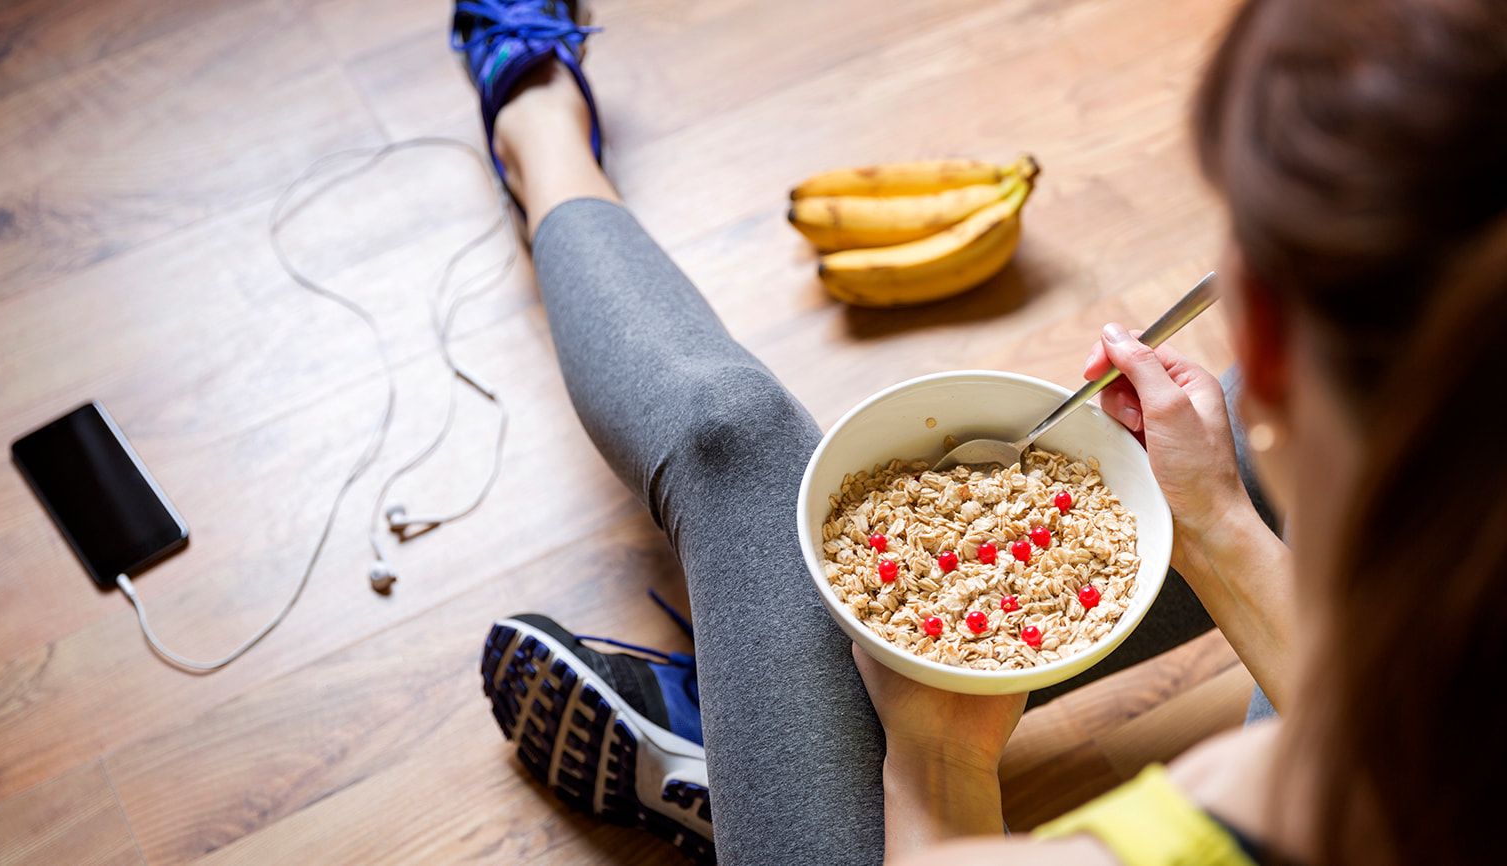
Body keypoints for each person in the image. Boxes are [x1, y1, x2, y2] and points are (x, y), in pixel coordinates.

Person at [458, 0, 1507, 863]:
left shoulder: (1226, 820)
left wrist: (935, 751)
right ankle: (758, 733)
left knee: (737, 440)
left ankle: (538, 122)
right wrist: (1218, 518)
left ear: (1265, 330)